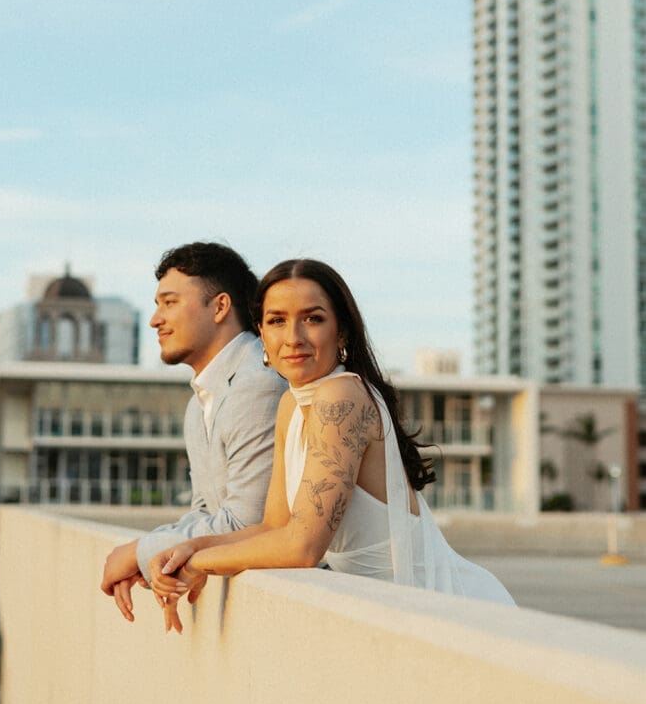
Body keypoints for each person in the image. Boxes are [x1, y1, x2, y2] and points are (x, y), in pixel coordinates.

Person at [150, 259, 515, 633]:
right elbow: (274, 525)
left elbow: (302, 548)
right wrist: (192, 548)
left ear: (341, 333)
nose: (293, 337)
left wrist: (200, 563)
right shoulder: (291, 404)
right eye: (277, 321)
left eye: (313, 319)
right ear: (261, 333)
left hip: (450, 612)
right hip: (387, 613)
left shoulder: (340, 396)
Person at [100, 242, 286, 620]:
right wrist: (157, 559)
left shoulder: (257, 385)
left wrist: (138, 552)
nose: (155, 319)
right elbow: (204, 511)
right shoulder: (199, 403)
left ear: (219, 307)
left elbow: (248, 524)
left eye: (169, 302)